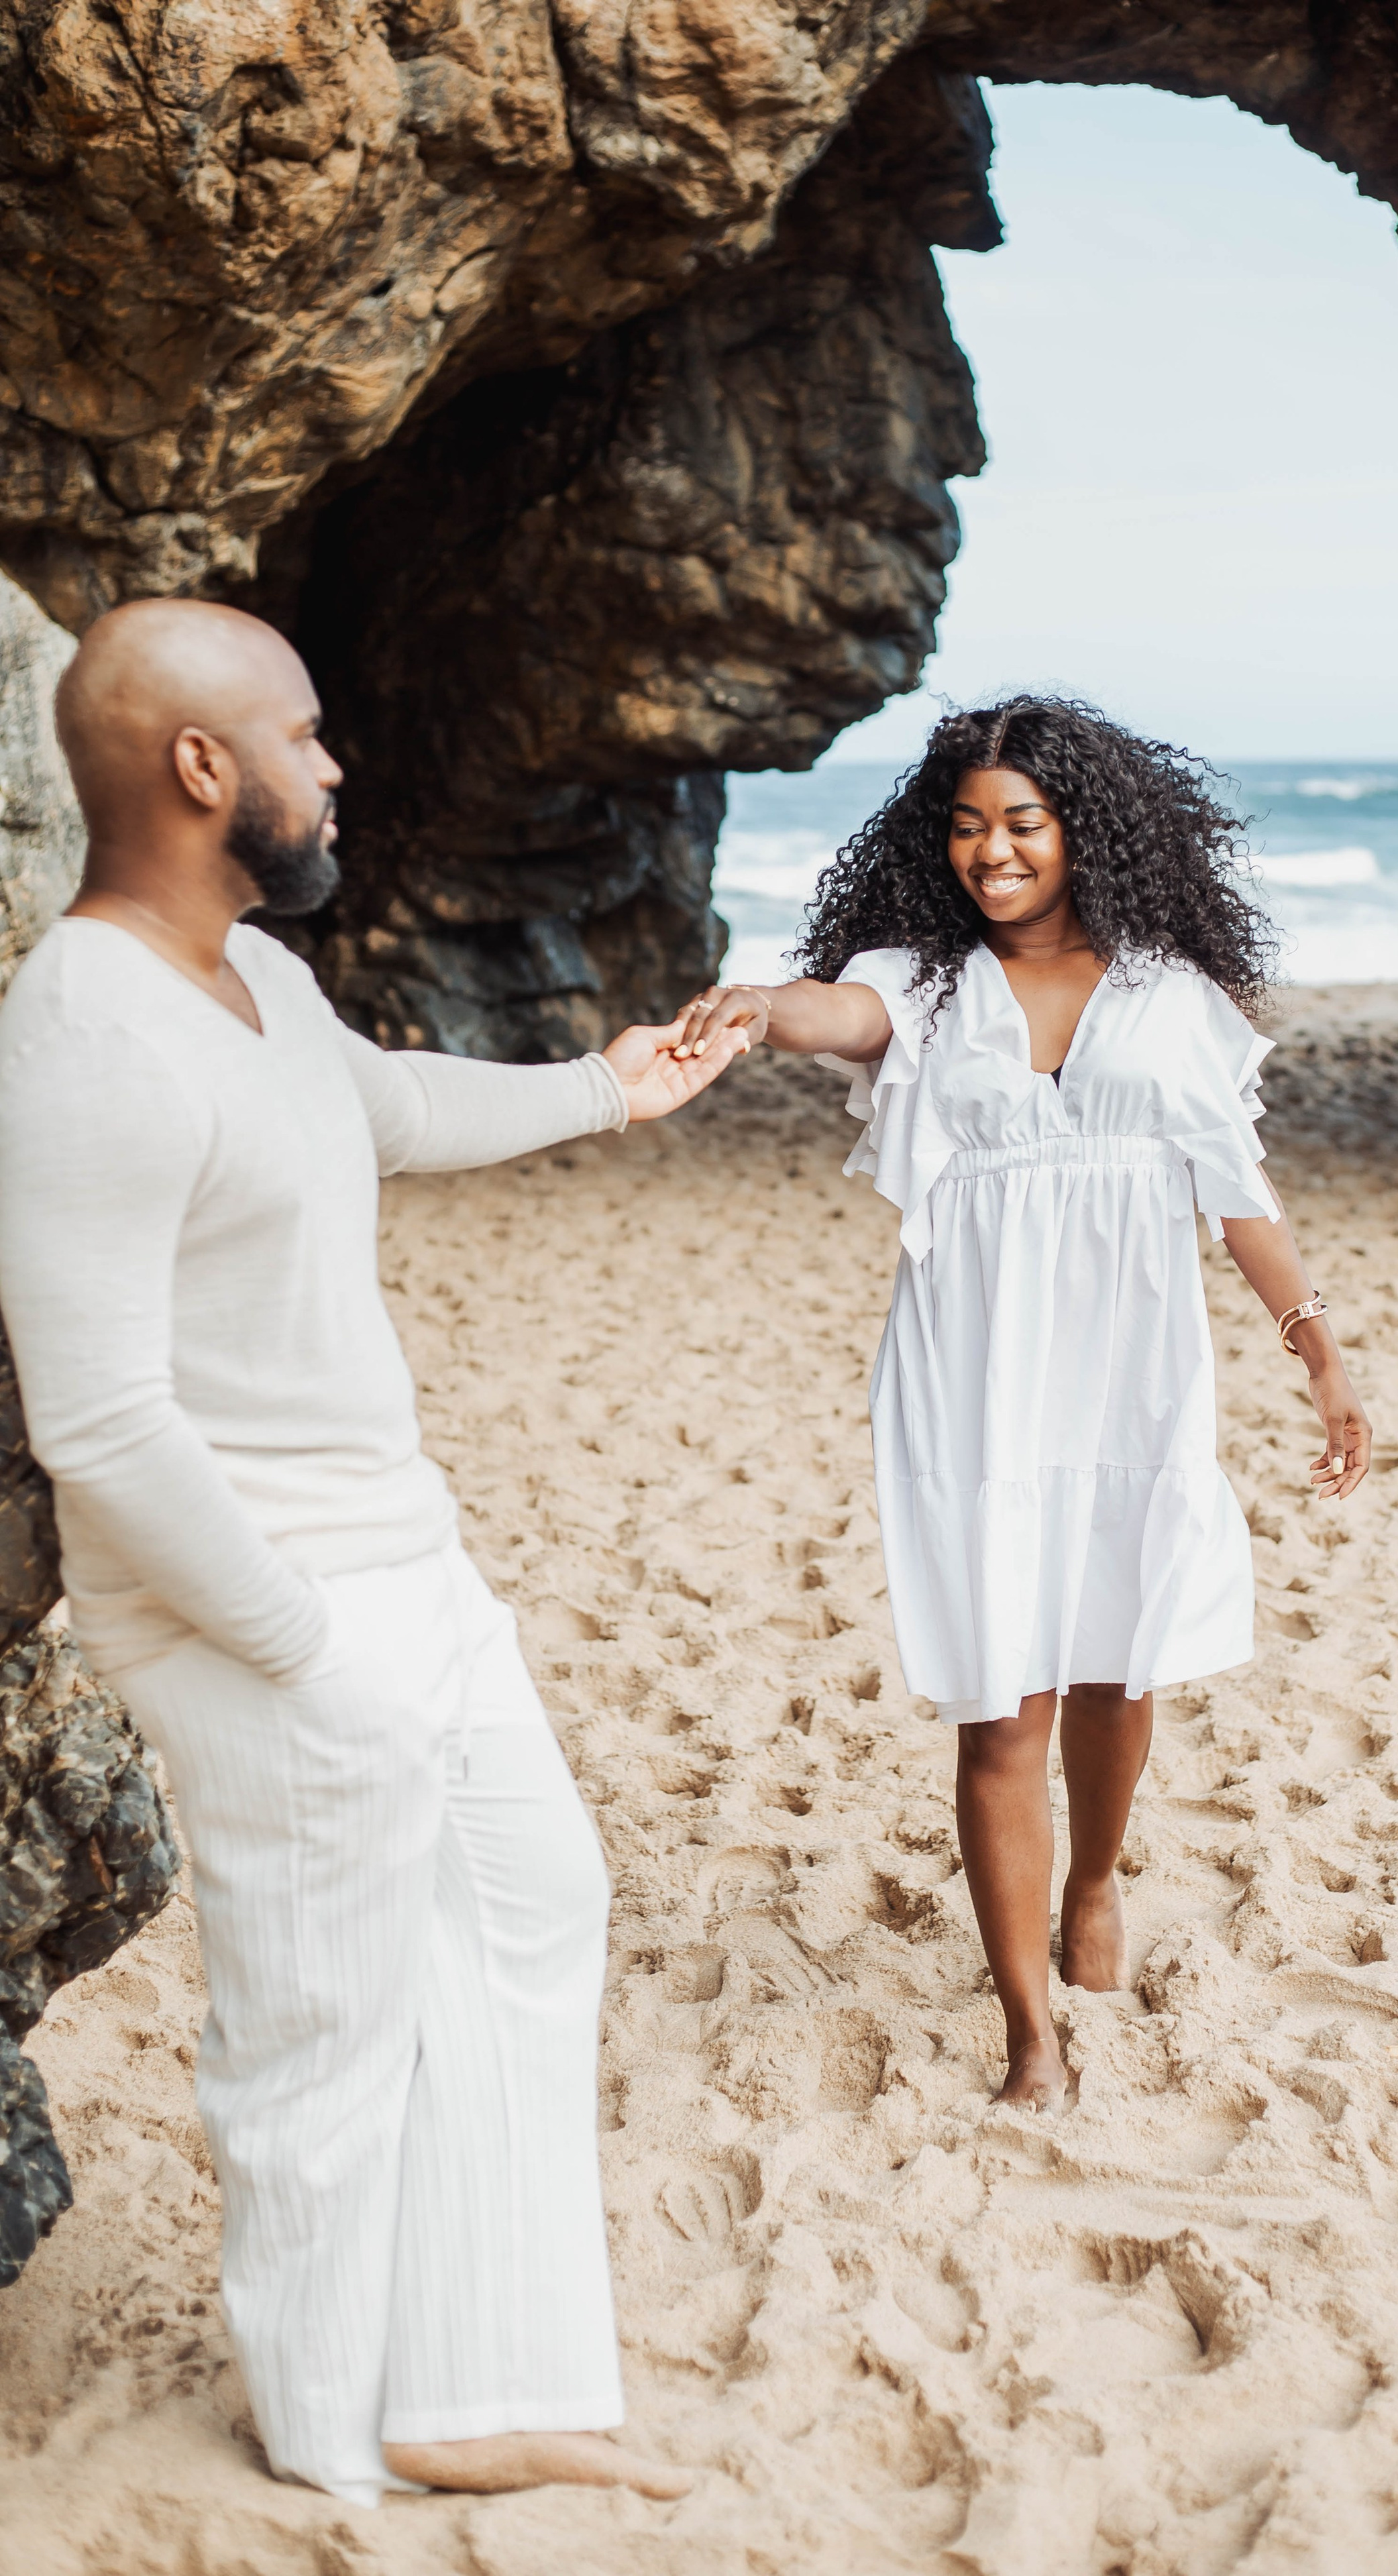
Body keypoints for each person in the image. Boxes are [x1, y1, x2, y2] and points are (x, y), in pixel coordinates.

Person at [0, 600, 749, 2508]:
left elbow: (391, 1106)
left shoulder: (256, 976)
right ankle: (332, 2439)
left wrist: (612, 1088)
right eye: (306, 735)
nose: (335, 770)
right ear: (200, 767)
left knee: (531, 1903)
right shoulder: (82, 1036)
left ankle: (470, 2383)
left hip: (405, 1558)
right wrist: (300, 1645)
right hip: (261, 1609)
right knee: (319, 2025)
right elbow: (103, 1425)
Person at [671, 698, 1372, 2114]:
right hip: (975, 1381)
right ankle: (1028, 2033)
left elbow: (1236, 1190)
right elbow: (832, 1011)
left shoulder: (1170, 996)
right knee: (1002, 1704)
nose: (990, 850)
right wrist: (756, 1005)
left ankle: (1094, 1879)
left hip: (1131, 1371)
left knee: (1118, 1667)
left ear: (1082, 833)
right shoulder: (922, 986)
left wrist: (1315, 1350)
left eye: (1022, 823)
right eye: (967, 825)